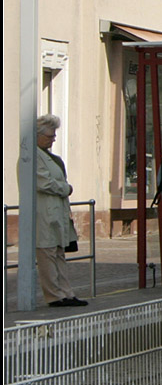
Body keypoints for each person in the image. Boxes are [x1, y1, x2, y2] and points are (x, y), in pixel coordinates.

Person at [25, 115, 87, 307]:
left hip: (56, 212)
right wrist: (65, 188)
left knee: (59, 252)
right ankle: (54, 295)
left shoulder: (50, 157)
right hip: (43, 212)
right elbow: (44, 183)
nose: (53, 139)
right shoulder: (31, 156)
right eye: (50, 136)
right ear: (37, 135)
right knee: (47, 253)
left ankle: (66, 293)